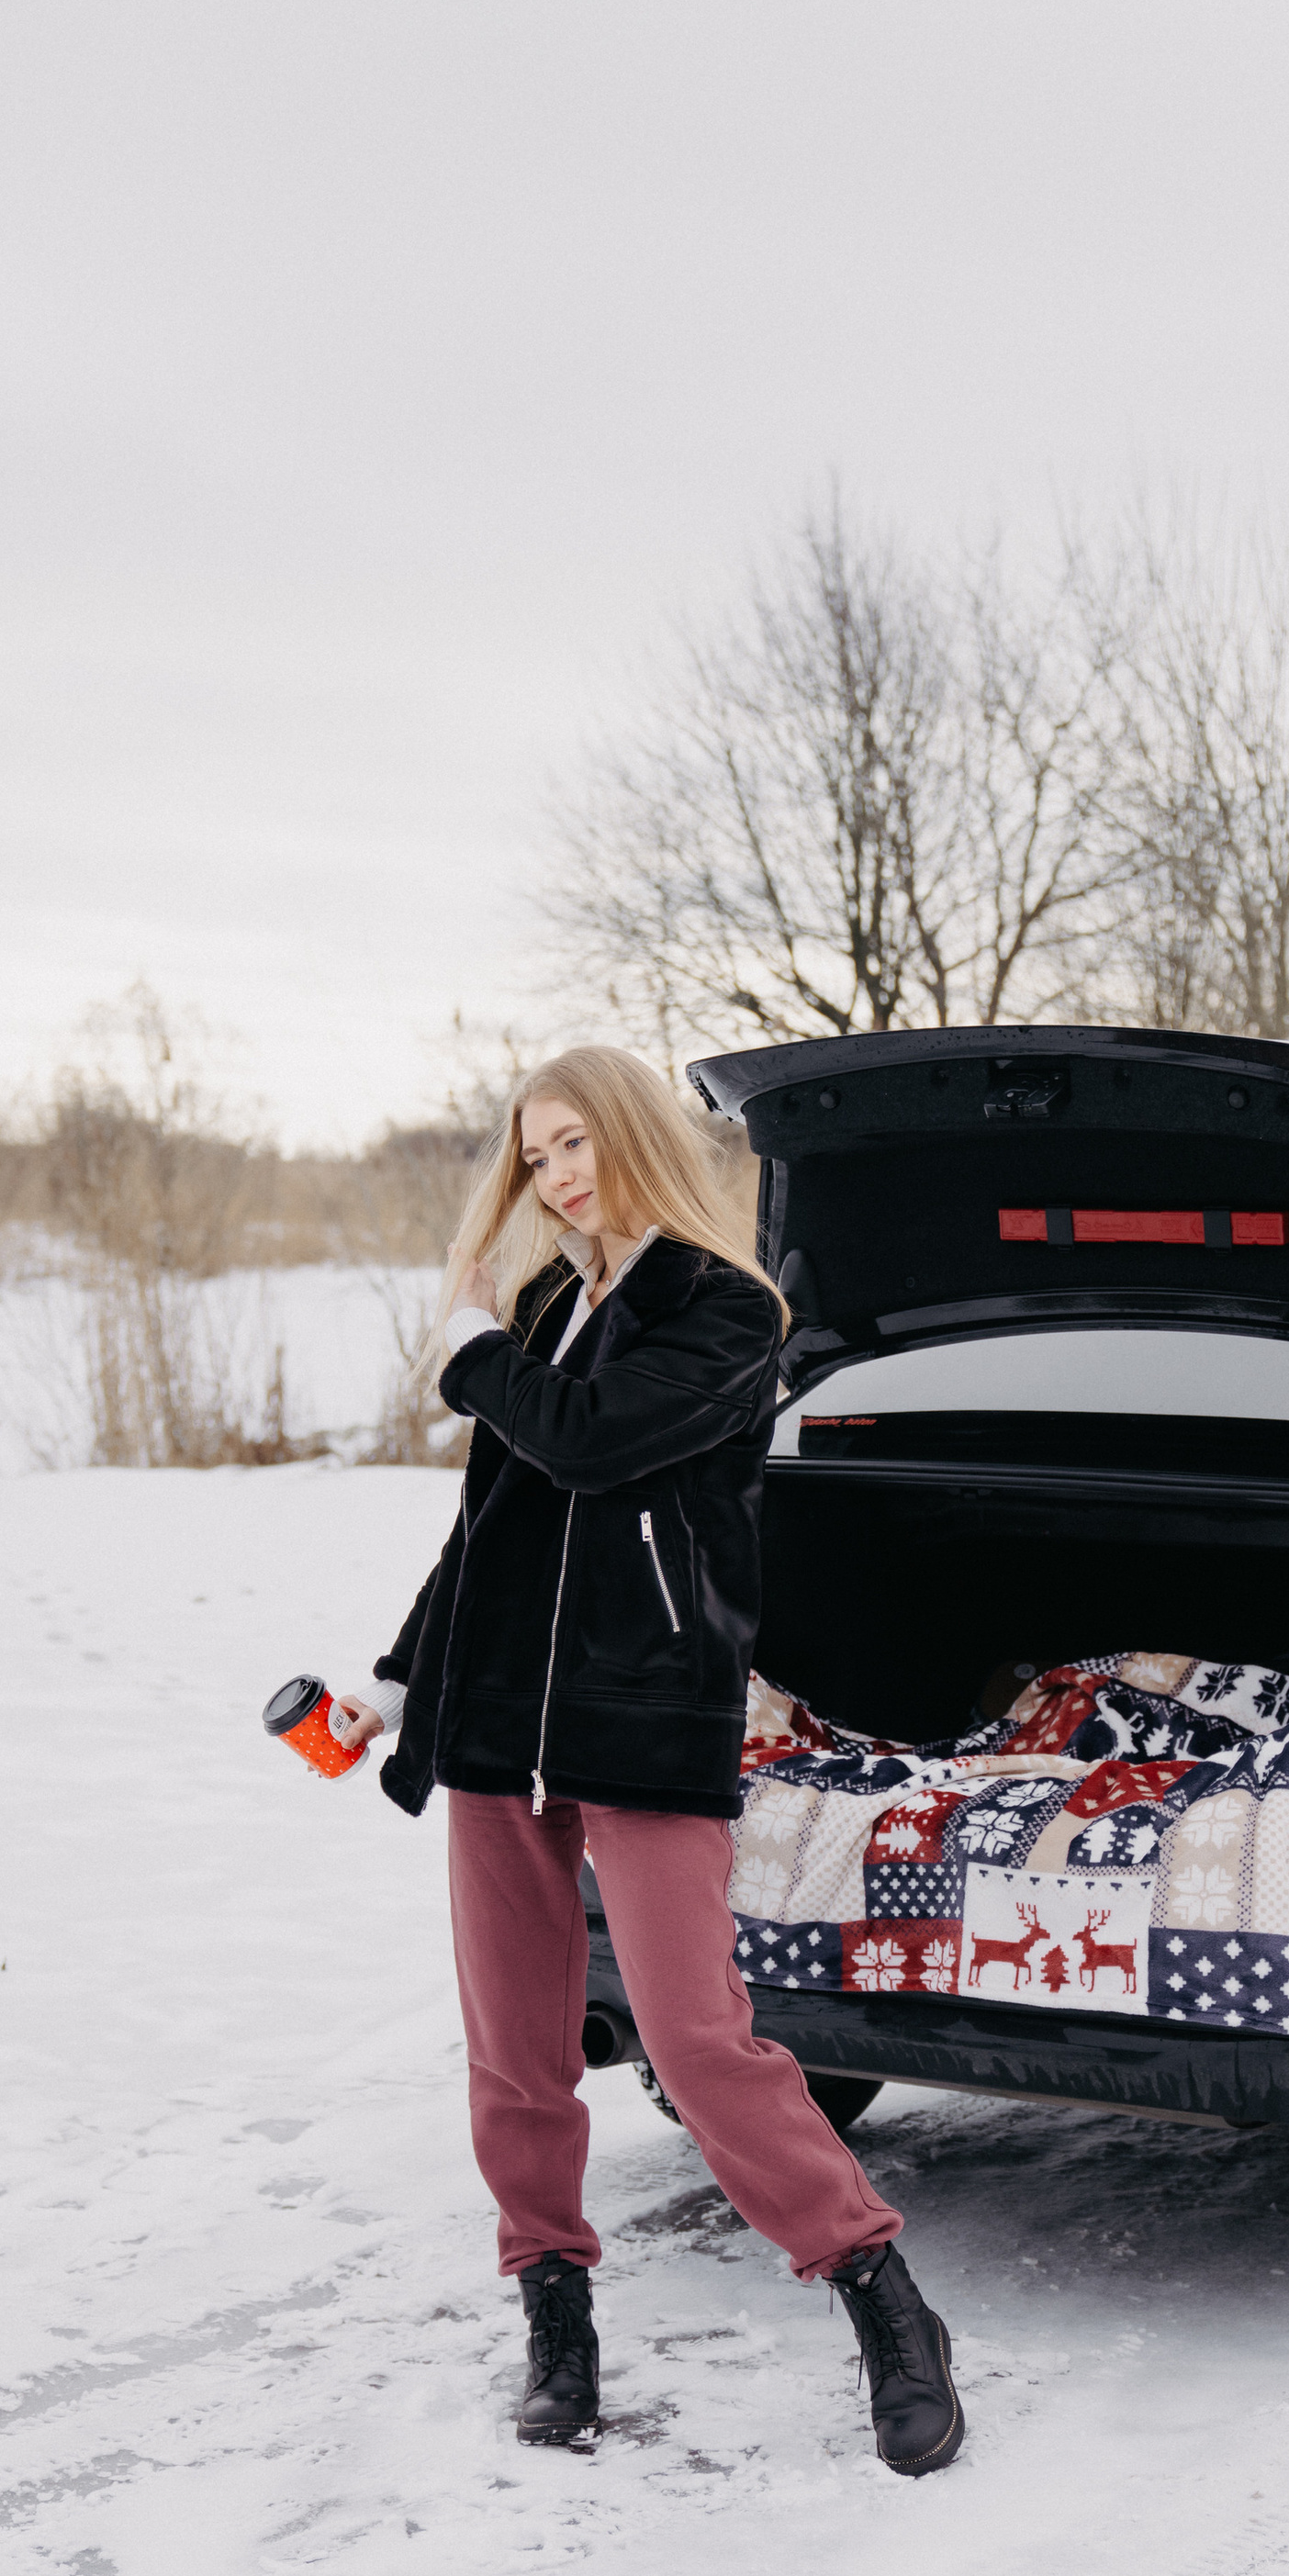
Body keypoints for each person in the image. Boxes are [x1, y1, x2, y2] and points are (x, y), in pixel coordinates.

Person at [328, 1045, 965, 2479]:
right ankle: (557, 2315)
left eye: (576, 1143)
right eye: (535, 1154)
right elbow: (492, 1528)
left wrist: (469, 1354)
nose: (558, 1175)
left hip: (644, 1717)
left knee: (695, 2038)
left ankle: (882, 2301)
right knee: (514, 2055)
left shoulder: (729, 1310)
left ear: (630, 1139)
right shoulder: (553, 1305)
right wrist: (399, 1676)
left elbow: (599, 1445)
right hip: (501, 1726)